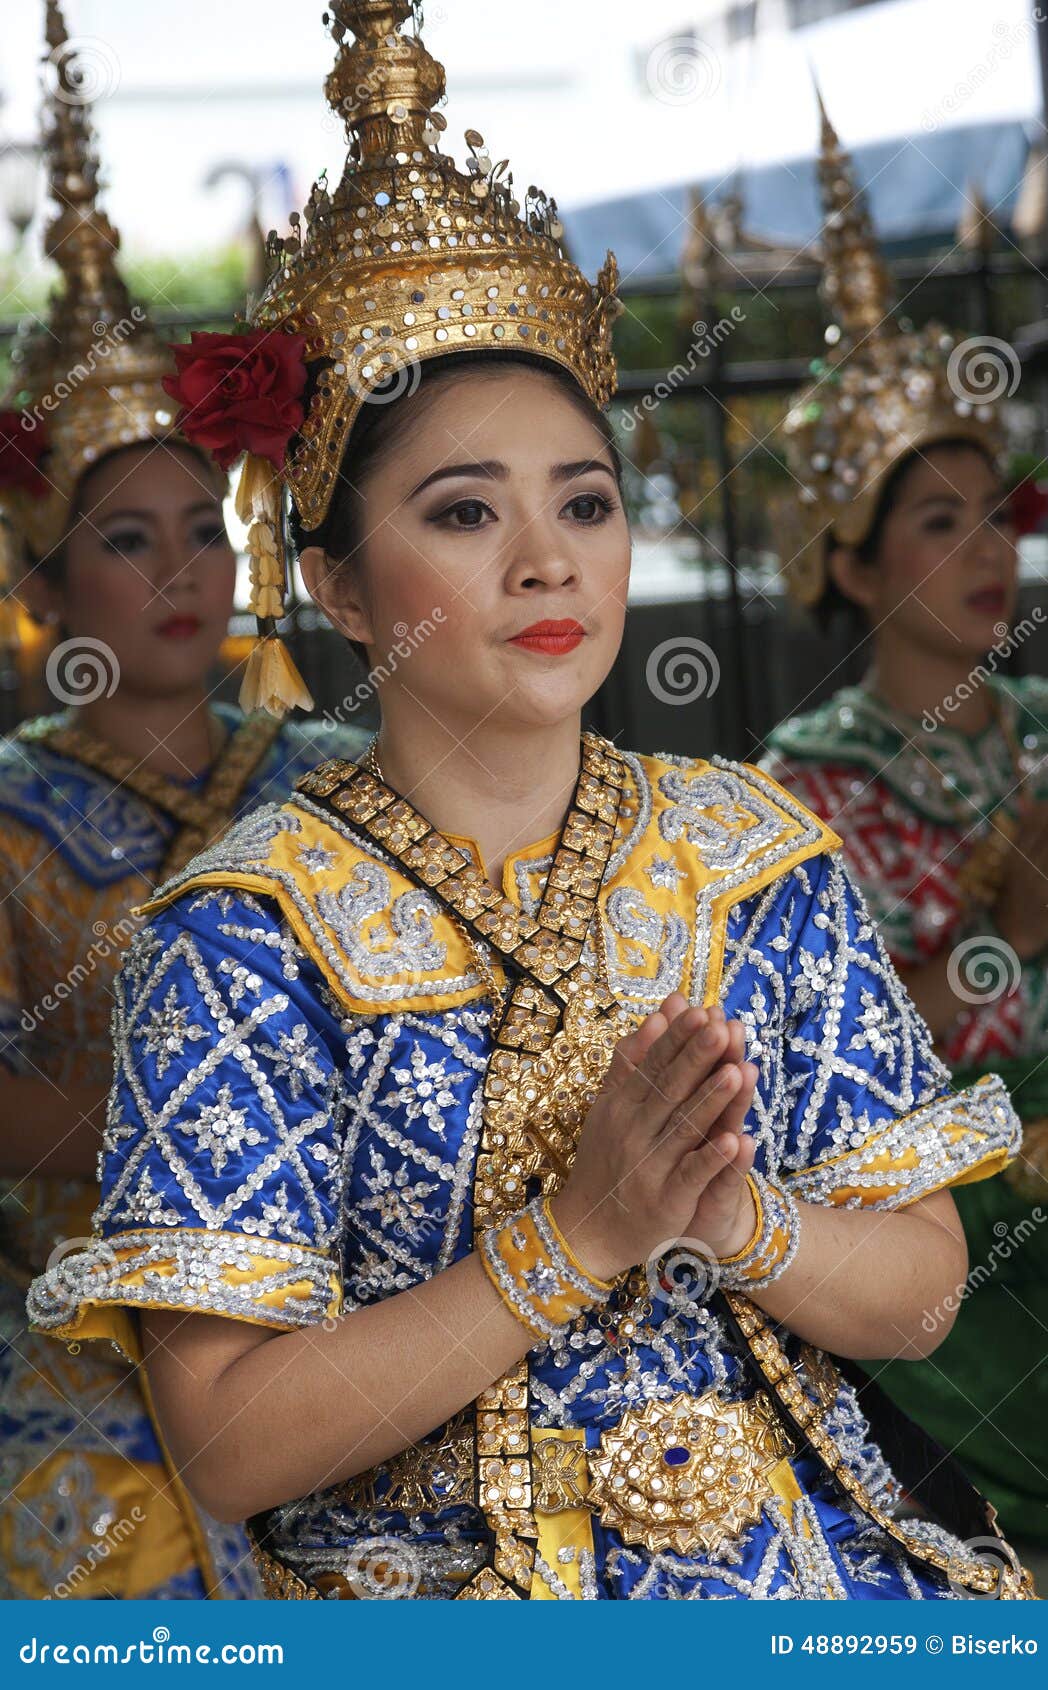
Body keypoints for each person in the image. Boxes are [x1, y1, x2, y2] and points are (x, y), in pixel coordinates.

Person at [28, 3, 1033, 1601]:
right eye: (463, 510)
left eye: (585, 499)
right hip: (436, 1593)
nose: (548, 557)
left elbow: (920, 1291)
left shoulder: (754, 852)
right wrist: (573, 1237)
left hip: (809, 1562)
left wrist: (739, 1218)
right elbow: (224, 1438)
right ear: (343, 588)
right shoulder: (242, 929)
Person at [0, 2, 366, 1600]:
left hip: (341, 1274)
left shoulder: (325, 775)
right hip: (87, 1302)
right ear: (40, 585)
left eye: (203, 532)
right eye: (128, 539)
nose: (184, 572)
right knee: (107, 1543)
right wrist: (198, 1145)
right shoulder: (11, 811)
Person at [761, 100, 1048, 1557]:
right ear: (854, 555)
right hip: (978, 1226)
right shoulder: (809, 790)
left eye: (998, 511)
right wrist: (1013, 935)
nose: (990, 546)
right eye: (939, 520)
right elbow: (842, 1085)